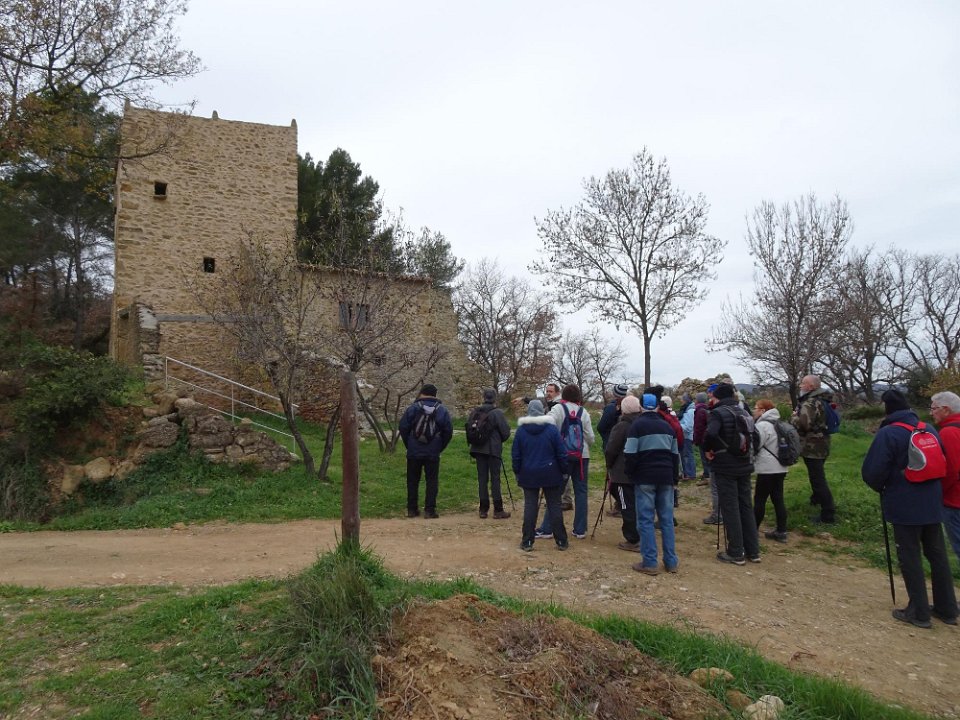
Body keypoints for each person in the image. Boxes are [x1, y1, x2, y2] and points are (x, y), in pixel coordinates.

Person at [861, 389, 958, 628]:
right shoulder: (929, 429)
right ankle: (947, 608)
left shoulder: (889, 433)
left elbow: (872, 471)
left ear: (887, 409)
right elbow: (943, 463)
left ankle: (918, 612)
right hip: (932, 501)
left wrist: (884, 487)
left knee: (910, 556)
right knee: (937, 554)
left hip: (904, 504)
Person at [623, 393, 680, 575]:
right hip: (666, 477)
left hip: (645, 477)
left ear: (641, 407)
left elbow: (630, 453)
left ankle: (649, 562)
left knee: (645, 520)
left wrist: (631, 474)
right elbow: (675, 455)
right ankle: (671, 561)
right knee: (666, 520)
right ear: (657, 407)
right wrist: (674, 478)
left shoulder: (636, 426)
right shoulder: (667, 426)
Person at [705, 382, 760, 565]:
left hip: (725, 465)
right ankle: (753, 551)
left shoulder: (718, 413)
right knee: (746, 506)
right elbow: (756, 437)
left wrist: (708, 450)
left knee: (730, 508)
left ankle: (736, 551)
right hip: (745, 464)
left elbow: (710, 434)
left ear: (717, 397)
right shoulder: (744, 412)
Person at [535, 383, 595, 540]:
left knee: (555, 492)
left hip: (562, 456)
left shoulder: (558, 409)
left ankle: (547, 528)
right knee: (581, 492)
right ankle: (580, 530)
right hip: (582, 457)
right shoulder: (583, 412)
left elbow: (547, 428)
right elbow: (591, 438)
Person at [512, 400, 569, 551]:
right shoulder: (551, 430)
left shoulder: (521, 431)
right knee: (554, 505)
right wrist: (564, 470)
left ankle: (527, 541)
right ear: (543, 411)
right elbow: (561, 453)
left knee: (530, 506)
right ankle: (561, 541)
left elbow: (516, 455)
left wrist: (517, 471)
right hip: (550, 472)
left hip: (528, 472)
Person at [398, 383, 453, 518]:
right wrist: (440, 446)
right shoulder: (442, 410)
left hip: (414, 450)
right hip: (433, 451)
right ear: (435, 395)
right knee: (432, 480)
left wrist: (409, 444)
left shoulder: (413, 408)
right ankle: (429, 510)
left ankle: (412, 509)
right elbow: (448, 431)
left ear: (422, 393)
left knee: (412, 480)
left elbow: (403, 427)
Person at [791, 374, 836, 524]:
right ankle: (815, 499)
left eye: (803, 383)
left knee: (818, 479)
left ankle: (828, 514)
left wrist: (794, 417)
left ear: (811, 386)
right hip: (823, 443)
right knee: (816, 474)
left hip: (813, 446)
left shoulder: (810, 402)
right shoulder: (823, 399)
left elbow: (805, 424)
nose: (800, 385)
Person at [467, 388, 512, 519]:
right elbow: (505, 432)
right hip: (493, 450)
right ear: (494, 398)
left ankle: (483, 509)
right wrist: (498, 440)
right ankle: (498, 510)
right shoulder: (497, 413)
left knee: (482, 479)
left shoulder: (475, 412)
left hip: (478, 449)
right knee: (495, 479)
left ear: (484, 397)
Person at [605, 394, 642, 551]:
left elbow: (611, 449)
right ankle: (640, 535)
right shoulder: (642, 424)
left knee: (626, 505)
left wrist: (609, 465)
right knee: (637, 504)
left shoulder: (622, 426)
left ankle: (633, 539)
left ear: (623, 410)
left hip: (623, 474)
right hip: (640, 472)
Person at [752, 398, 789, 543]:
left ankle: (753, 530)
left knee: (760, 499)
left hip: (767, 468)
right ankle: (781, 531)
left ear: (763, 410)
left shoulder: (762, 425)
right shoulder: (780, 424)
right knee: (778, 499)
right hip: (781, 466)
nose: (754, 410)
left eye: (756, 408)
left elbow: (756, 445)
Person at [930, 391, 960, 565]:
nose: (931, 412)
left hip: (955, 501)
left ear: (946, 410)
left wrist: (938, 493)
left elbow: (951, 471)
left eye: (934, 408)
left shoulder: (948, 433)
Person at [597, 383, 630, 517]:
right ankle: (621, 505)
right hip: (627, 446)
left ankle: (621, 506)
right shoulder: (629, 406)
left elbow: (600, 427)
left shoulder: (610, 408)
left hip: (612, 445)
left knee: (614, 478)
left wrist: (608, 437)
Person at [694, 390, 719, 523]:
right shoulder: (708, 409)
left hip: (705, 441)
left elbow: (699, 427)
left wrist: (698, 440)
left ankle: (707, 476)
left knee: (706, 461)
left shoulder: (700, 410)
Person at [678, 392, 698, 480]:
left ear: (685, 400)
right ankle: (686, 473)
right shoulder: (687, 409)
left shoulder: (690, 411)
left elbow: (689, 427)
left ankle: (690, 474)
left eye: (682, 399)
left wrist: (677, 426)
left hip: (687, 436)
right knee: (685, 455)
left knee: (688, 455)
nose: (681, 401)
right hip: (685, 436)